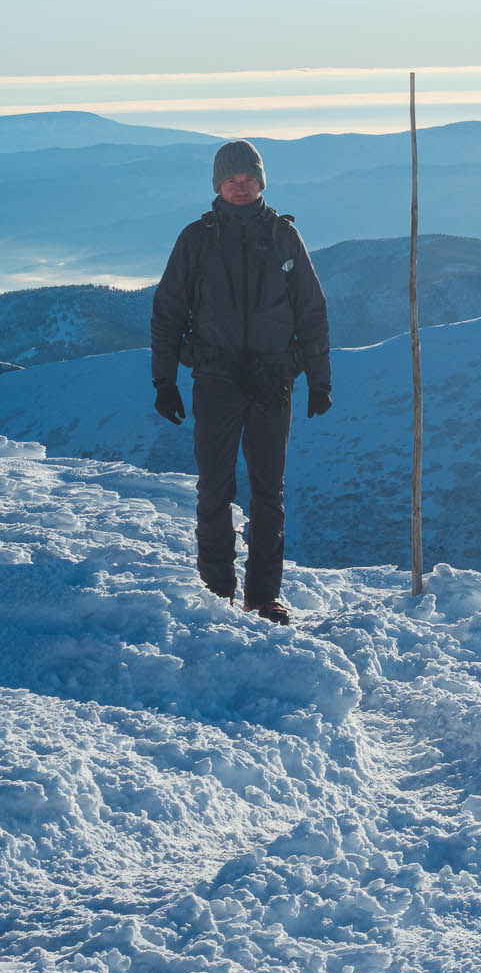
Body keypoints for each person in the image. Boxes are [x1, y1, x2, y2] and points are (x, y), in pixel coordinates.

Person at [150, 139, 332, 623]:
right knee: (214, 487)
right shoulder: (197, 238)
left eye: (248, 179)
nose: (240, 187)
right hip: (215, 378)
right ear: (218, 184)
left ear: (261, 182)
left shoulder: (283, 237)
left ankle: (263, 596)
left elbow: (311, 311)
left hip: (273, 381)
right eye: (231, 180)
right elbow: (168, 311)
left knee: (269, 490)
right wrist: (163, 382)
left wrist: (319, 380)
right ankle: (216, 592)